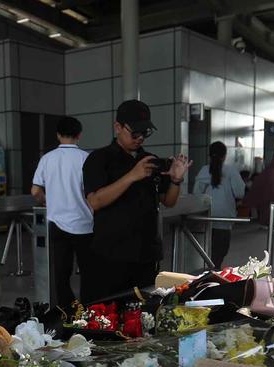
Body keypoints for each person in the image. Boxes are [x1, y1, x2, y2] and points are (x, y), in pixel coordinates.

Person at [81, 99, 189, 302]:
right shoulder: (99, 159)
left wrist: (176, 180)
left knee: (143, 310)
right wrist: (132, 176)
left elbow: (168, 201)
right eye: (135, 133)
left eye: (145, 133)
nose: (140, 138)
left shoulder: (150, 160)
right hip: (111, 254)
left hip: (146, 254)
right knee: (108, 310)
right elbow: (95, 201)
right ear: (117, 127)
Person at [31, 116, 91, 307]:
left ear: (58, 135)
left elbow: (35, 191)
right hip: (85, 224)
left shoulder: (47, 159)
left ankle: (68, 310)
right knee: (89, 272)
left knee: (61, 273)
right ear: (79, 135)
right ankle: (90, 310)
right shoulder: (86, 158)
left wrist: (48, 201)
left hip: (57, 224)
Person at [192, 141, 244, 268]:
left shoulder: (204, 170)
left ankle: (207, 273)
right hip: (224, 219)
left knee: (205, 252)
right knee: (219, 253)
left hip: (205, 219)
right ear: (224, 155)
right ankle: (214, 273)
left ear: (209, 155)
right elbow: (240, 193)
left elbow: (196, 194)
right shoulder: (231, 171)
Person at [245, 154, 274, 227]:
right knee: (271, 212)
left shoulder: (269, 171)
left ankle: (271, 224)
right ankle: (272, 224)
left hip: (271, 197)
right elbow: (272, 186)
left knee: (269, 211)